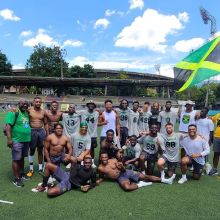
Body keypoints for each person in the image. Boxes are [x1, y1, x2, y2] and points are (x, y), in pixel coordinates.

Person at [97, 152, 174, 192]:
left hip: (126, 172)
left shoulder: (113, 160)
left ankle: (166, 181)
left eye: (105, 157)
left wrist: (122, 167)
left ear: (108, 157)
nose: (104, 158)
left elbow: (123, 170)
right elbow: (101, 176)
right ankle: (140, 184)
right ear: (100, 158)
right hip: (120, 178)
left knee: (145, 176)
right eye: (102, 157)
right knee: (127, 188)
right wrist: (100, 180)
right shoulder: (100, 168)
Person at [32, 156, 97, 196]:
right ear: (83, 162)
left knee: (50, 192)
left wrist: (89, 187)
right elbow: (72, 178)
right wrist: (81, 187)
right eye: (86, 162)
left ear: (91, 163)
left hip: (69, 184)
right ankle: (44, 185)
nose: (87, 164)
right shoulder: (78, 167)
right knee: (48, 165)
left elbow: (94, 183)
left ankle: (50, 185)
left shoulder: (93, 172)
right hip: (66, 175)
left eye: (89, 163)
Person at [5, 99, 31, 187]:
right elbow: (8, 126)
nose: (25, 105)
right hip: (17, 140)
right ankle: (16, 179)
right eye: (23, 103)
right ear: (18, 104)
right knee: (16, 159)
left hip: (26, 140)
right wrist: (9, 139)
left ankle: (21, 173)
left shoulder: (26, 113)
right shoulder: (13, 112)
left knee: (22, 158)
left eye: (26, 104)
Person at [27, 97, 48, 177]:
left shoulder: (43, 111)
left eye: (39, 102)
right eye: (37, 101)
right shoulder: (29, 110)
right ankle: (31, 168)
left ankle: (40, 168)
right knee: (32, 150)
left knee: (40, 150)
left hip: (41, 131)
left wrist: (47, 133)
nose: (38, 103)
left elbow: (45, 123)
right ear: (33, 102)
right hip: (32, 131)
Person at [195, 107, 214, 174]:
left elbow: (211, 132)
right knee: (198, 153)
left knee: (205, 154)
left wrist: (210, 140)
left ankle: (206, 168)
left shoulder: (209, 121)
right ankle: (198, 166)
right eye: (201, 111)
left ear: (206, 113)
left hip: (205, 140)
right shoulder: (197, 120)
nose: (201, 112)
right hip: (197, 140)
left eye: (203, 111)